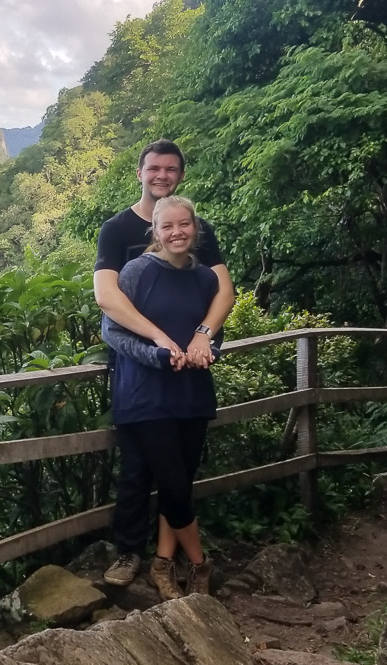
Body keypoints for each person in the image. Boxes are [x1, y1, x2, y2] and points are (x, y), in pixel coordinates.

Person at [95, 139, 234, 592]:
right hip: (142, 377)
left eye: (170, 169)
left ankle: (162, 559)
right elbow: (107, 303)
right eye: (154, 168)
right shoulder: (119, 233)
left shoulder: (199, 241)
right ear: (140, 172)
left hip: (188, 381)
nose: (162, 175)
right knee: (141, 469)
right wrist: (157, 341)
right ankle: (135, 552)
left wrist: (204, 338)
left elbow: (220, 294)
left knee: (178, 474)